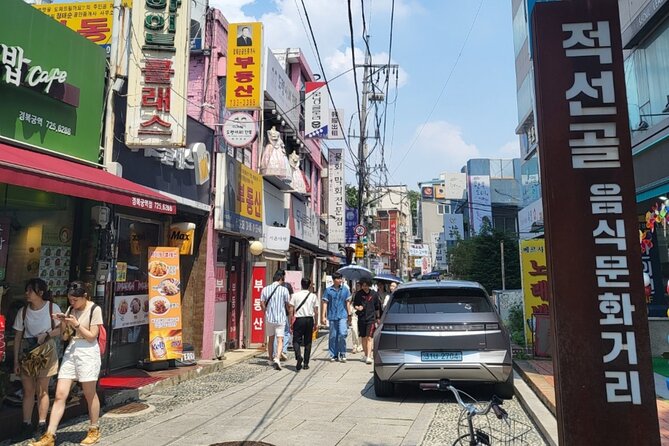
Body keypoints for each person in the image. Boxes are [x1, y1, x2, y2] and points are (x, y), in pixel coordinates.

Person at [30, 281, 103, 446]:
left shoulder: (94, 309)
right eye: (70, 300)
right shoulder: (71, 309)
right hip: (72, 350)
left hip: (88, 351)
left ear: (84, 297)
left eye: (76, 300)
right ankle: (50, 434)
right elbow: (64, 337)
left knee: (89, 393)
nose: (73, 303)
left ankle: (94, 428)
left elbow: (92, 336)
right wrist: (63, 321)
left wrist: (76, 324)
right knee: (60, 394)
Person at [12, 279, 62, 442]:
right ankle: (26, 424)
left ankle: (41, 424)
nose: (27, 293)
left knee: (43, 389)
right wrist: (16, 361)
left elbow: (62, 328)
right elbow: (18, 337)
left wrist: (46, 335)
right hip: (28, 351)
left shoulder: (51, 308)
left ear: (40, 293)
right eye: (26, 290)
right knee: (28, 390)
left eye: (30, 291)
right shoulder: (23, 311)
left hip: (45, 350)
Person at [260, 270, 290, 370]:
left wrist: (266, 311)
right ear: (281, 279)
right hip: (280, 318)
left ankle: (269, 358)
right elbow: (287, 304)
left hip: (269, 318)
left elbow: (262, 303)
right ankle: (277, 357)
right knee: (280, 339)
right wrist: (289, 312)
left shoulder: (265, 289)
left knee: (271, 339)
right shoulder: (284, 290)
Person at [289, 278, 319, 371]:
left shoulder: (295, 295)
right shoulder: (313, 296)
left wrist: (291, 321)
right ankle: (306, 363)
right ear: (310, 285)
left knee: (296, 340)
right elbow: (316, 311)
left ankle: (298, 356)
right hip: (309, 319)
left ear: (301, 284)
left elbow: (291, 310)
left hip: (299, 319)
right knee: (308, 341)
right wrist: (316, 322)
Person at [321, 272, 351, 362]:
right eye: (338, 279)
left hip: (342, 315)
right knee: (333, 336)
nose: (340, 280)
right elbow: (325, 303)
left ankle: (342, 353)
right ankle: (333, 354)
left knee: (342, 334)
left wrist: (349, 314)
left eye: (341, 278)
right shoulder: (328, 290)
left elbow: (348, 302)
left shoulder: (345, 290)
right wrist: (323, 316)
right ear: (334, 280)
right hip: (332, 315)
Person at [353, 278, 381, 365]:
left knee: (369, 337)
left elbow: (377, 307)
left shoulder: (374, 294)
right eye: (363, 285)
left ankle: (369, 356)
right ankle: (365, 355)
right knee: (363, 337)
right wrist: (358, 307)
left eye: (366, 285)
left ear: (369, 285)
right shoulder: (358, 294)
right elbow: (355, 305)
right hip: (361, 318)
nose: (364, 287)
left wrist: (378, 317)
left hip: (371, 318)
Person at [273, 280, 293, 361]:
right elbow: (289, 301)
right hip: (284, 314)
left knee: (275, 335)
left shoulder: (269, 288)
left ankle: (276, 353)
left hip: (273, 314)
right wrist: (290, 312)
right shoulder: (287, 286)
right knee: (286, 332)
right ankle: (283, 351)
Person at [349, 282, 362, 353]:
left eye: (359, 286)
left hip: (361, 315)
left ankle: (359, 345)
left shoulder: (363, 294)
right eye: (357, 286)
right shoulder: (353, 294)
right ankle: (354, 346)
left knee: (360, 331)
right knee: (354, 330)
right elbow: (349, 303)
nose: (358, 287)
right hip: (354, 314)